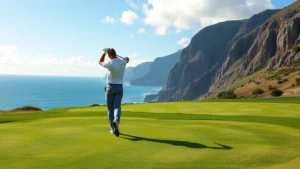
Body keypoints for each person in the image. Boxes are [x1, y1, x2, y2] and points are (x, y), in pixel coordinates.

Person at [99, 48, 129, 137]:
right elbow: (127, 59)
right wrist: (126, 58)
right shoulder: (123, 62)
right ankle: (116, 121)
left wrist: (104, 53)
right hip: (119, 87)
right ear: (116, 53)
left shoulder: (110, 64)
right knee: (117, 107)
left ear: (109, 56)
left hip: (110, 87)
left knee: (110, 109)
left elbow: (100, 62)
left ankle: (112, 128)